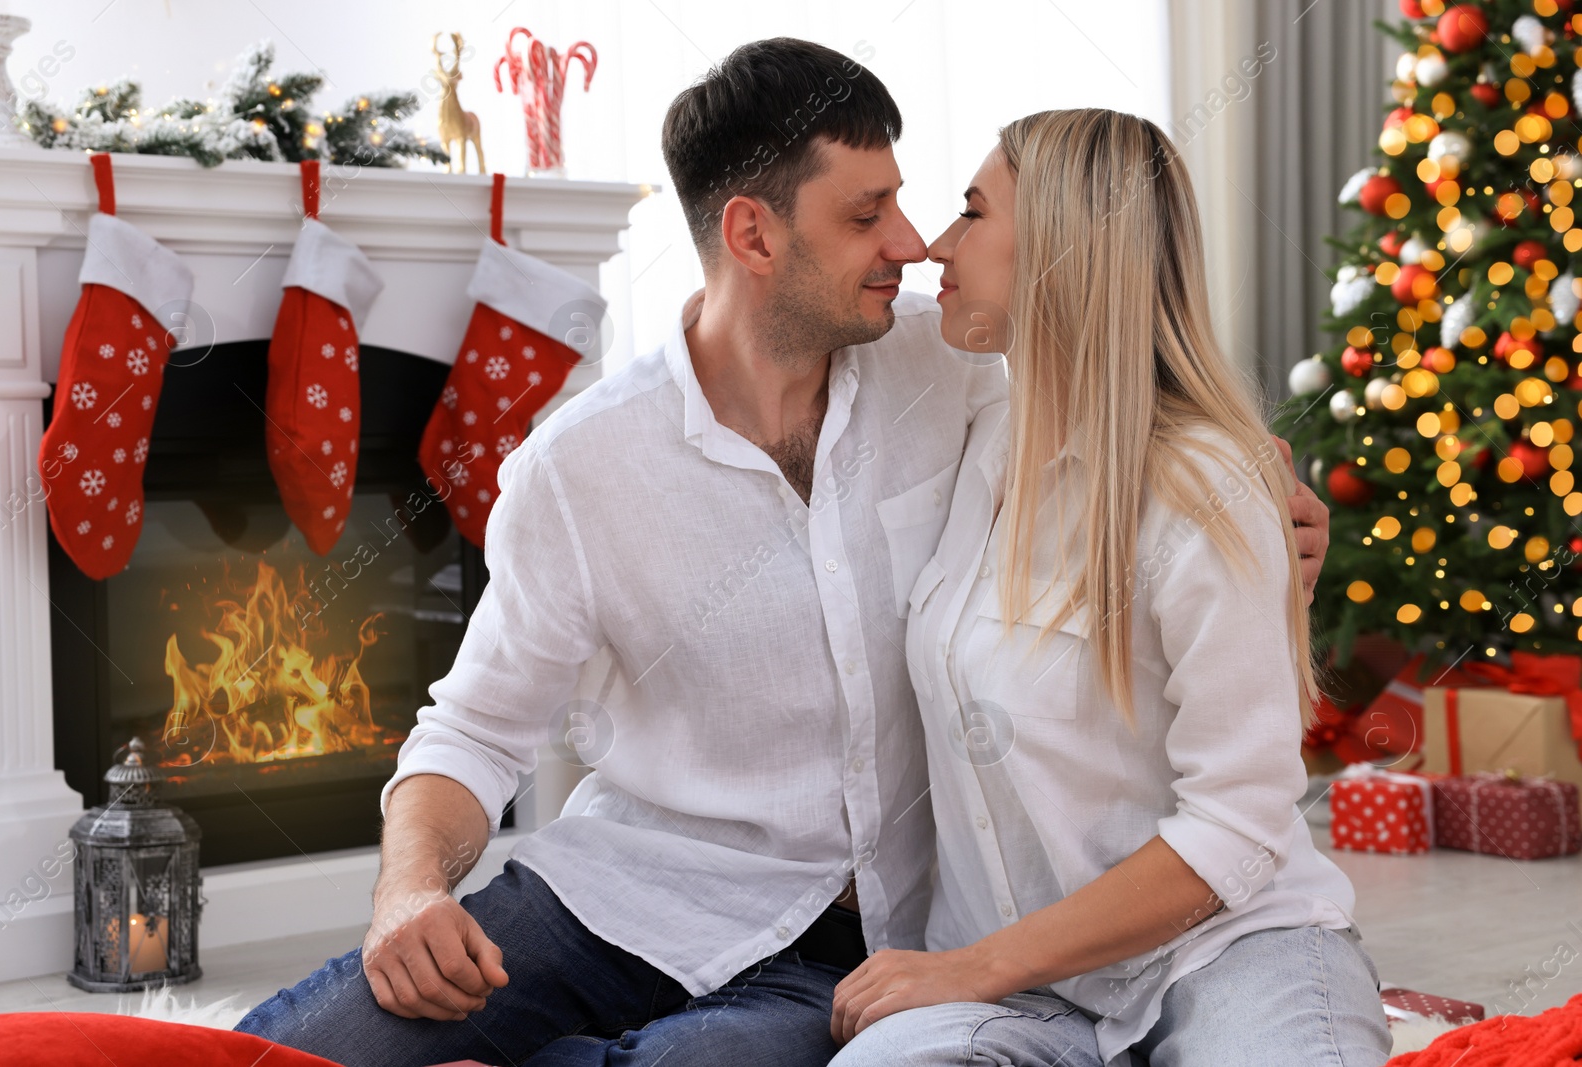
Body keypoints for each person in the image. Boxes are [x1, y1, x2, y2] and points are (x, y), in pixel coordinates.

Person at [236, 45, 1332, 1067]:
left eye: (916, 203)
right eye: (869, 214)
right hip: (623, 890)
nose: (910, 244)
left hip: (847, 947)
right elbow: (474, 726)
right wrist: (407, 891)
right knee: (312, 1041)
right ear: (753, 236)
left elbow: (1121, 412)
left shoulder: (951, 370)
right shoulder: (582, 466)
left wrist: (1259, 530)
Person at [824, 109, 1388, 1067]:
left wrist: (972, 967)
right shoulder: (978, 440)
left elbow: (1236, 829)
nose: (932, 247)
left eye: (970, 213)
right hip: (1027, 991)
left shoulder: (1203, 487)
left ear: (1062, 248)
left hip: (1228, 949)